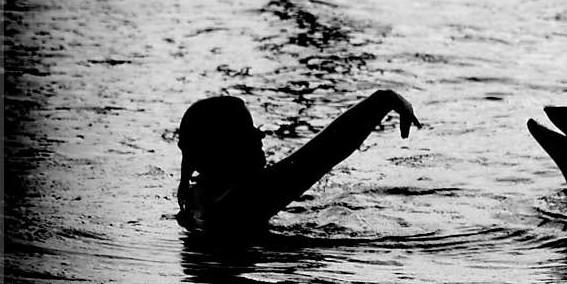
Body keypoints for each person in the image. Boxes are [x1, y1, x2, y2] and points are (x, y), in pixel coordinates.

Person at [176, 89, 422, 234]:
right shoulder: (241, 201)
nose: (260, 136)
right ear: (225, 149)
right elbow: (323, 153)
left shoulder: (199, 195)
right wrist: (384, 100)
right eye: (248, 131)